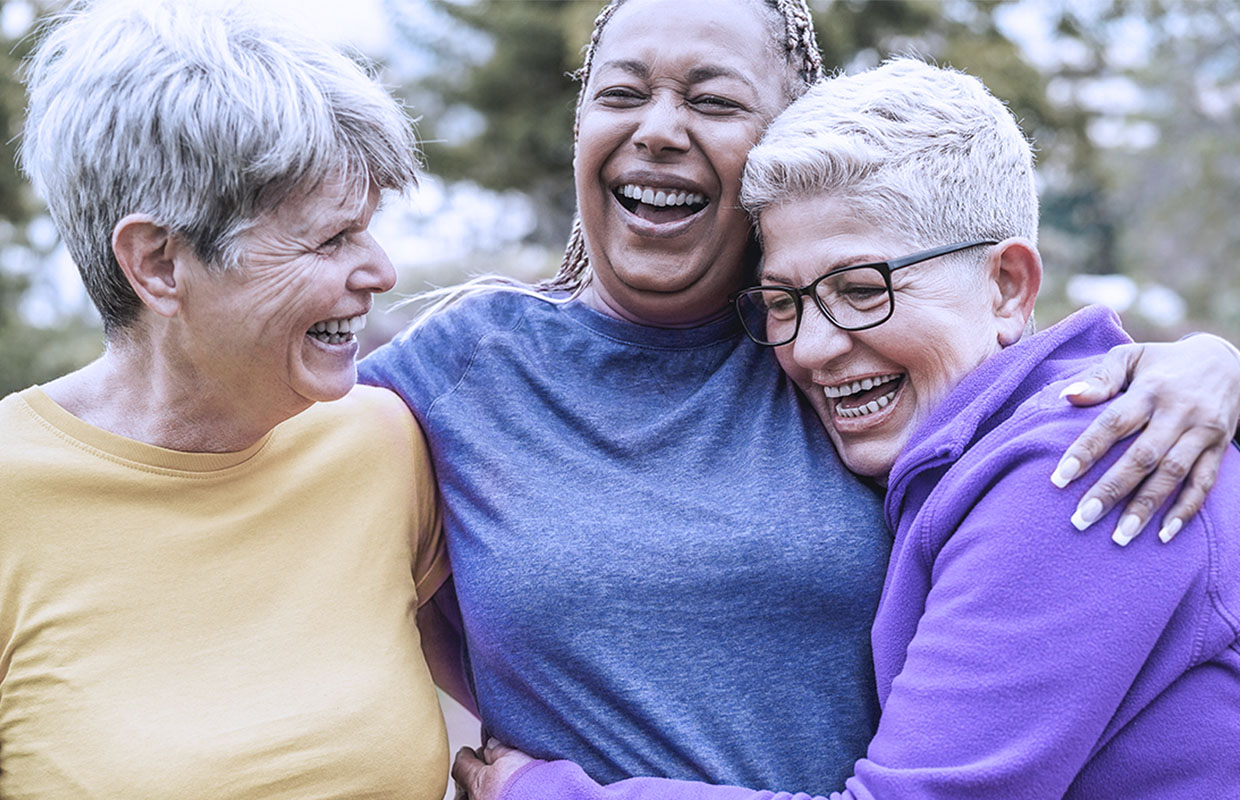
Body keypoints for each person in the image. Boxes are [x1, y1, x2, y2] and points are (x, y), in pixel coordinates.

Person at [361, 0, 1240, 795]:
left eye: (713, 100)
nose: (817, 342)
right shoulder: (459, 374)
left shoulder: (1093, 452)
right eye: (619, 92)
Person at [0, 1, 449, 797]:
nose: (380, 271)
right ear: (158, 264)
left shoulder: (386, 444)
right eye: (330, 238)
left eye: (370, 228)